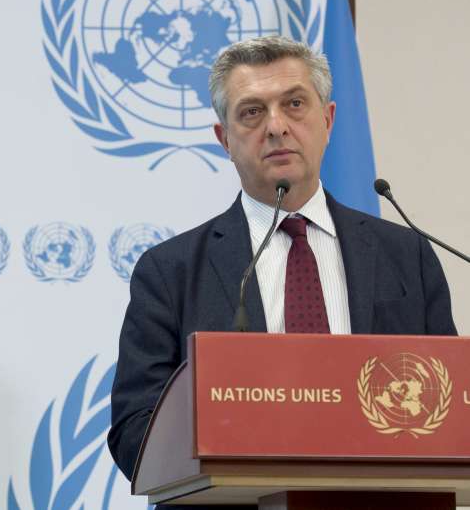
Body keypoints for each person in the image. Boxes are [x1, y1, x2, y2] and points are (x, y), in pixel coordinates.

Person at [108, 36, 457, 504]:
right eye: (251, 112)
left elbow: (449, 406)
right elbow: (134, 431)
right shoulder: (169, 272)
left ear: (327, 120)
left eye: (294, 104)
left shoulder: (407, 254)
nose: (276, 127)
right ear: (224, 139)